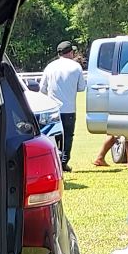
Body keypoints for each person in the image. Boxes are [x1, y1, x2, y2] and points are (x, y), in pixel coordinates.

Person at [41, 39, 85, 169]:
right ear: (70, 52)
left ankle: (53, 161)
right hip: (69, 109)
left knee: (52, 136)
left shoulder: (50, 67)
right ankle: (64, 162)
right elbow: (81, 87)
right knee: (68, 136)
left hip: (53, 109)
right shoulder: (76, 67)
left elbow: (42, 89)